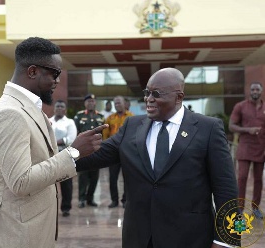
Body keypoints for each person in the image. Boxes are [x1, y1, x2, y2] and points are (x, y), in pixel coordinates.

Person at [76, 68, 239, 248]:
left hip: (191, 237)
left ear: (179, 97)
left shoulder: (208, 128)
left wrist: (227, 240)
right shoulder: (131, 126)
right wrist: (67, 155)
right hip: (140, 237)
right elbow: (96, 156)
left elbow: (227, 188)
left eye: (156, 94)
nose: (149, 98)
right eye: (147, 93)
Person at [0, 37, 107, 248]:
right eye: (55, 73)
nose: (58, 80)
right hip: (17, 234)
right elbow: (20, 182)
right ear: (32, 71)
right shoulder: (10, 113)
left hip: (33, 228)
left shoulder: (27, 106)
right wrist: (73, 152)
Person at [229, 82, 265, 219]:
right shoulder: (241, 106)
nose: (255, 91)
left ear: (261, 91)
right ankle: (240, 208)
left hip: (261, 148)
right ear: (249, 91)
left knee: (258, 180)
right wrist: (247, 130)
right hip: (245, 147)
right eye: (253, 89)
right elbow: (231, 126)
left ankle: (255, 208)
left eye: (257, 89)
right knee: (242, 177)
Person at [74, 94, 105, 208]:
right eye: (88, 101)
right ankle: (81, 199)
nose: (91, 103)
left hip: (96, 151)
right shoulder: (79, 116)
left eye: (93, 101)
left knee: (94, 177)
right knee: (83, 176)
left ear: (95, 103)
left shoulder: (100, 117)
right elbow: (75, 133)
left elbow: (104, 135)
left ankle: (90, 199)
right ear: (85, 103)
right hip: (83, 151)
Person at [103, 95, 133, 208]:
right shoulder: (109, 118)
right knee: (112, 178)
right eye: (115, 103)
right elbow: (105, 136)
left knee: (127, 178)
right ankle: (114, 200)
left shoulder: (131, 117)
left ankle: (125, 200)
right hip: (113, 153)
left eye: (119, 103)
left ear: (125, 104)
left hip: (127, 152)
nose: (117, 105)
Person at [49, 100, 77, 217]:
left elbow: (70, 139)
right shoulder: (48, 121)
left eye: (62, 107)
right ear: (54, 109)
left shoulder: (69, 122)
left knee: (66, 182)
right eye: (57, 106)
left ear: (65, 110)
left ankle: (66, 207)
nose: (59, 108)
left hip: (64, 153)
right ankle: (49, 208)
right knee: (48, 182)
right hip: (49, 154)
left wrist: (54, 142)